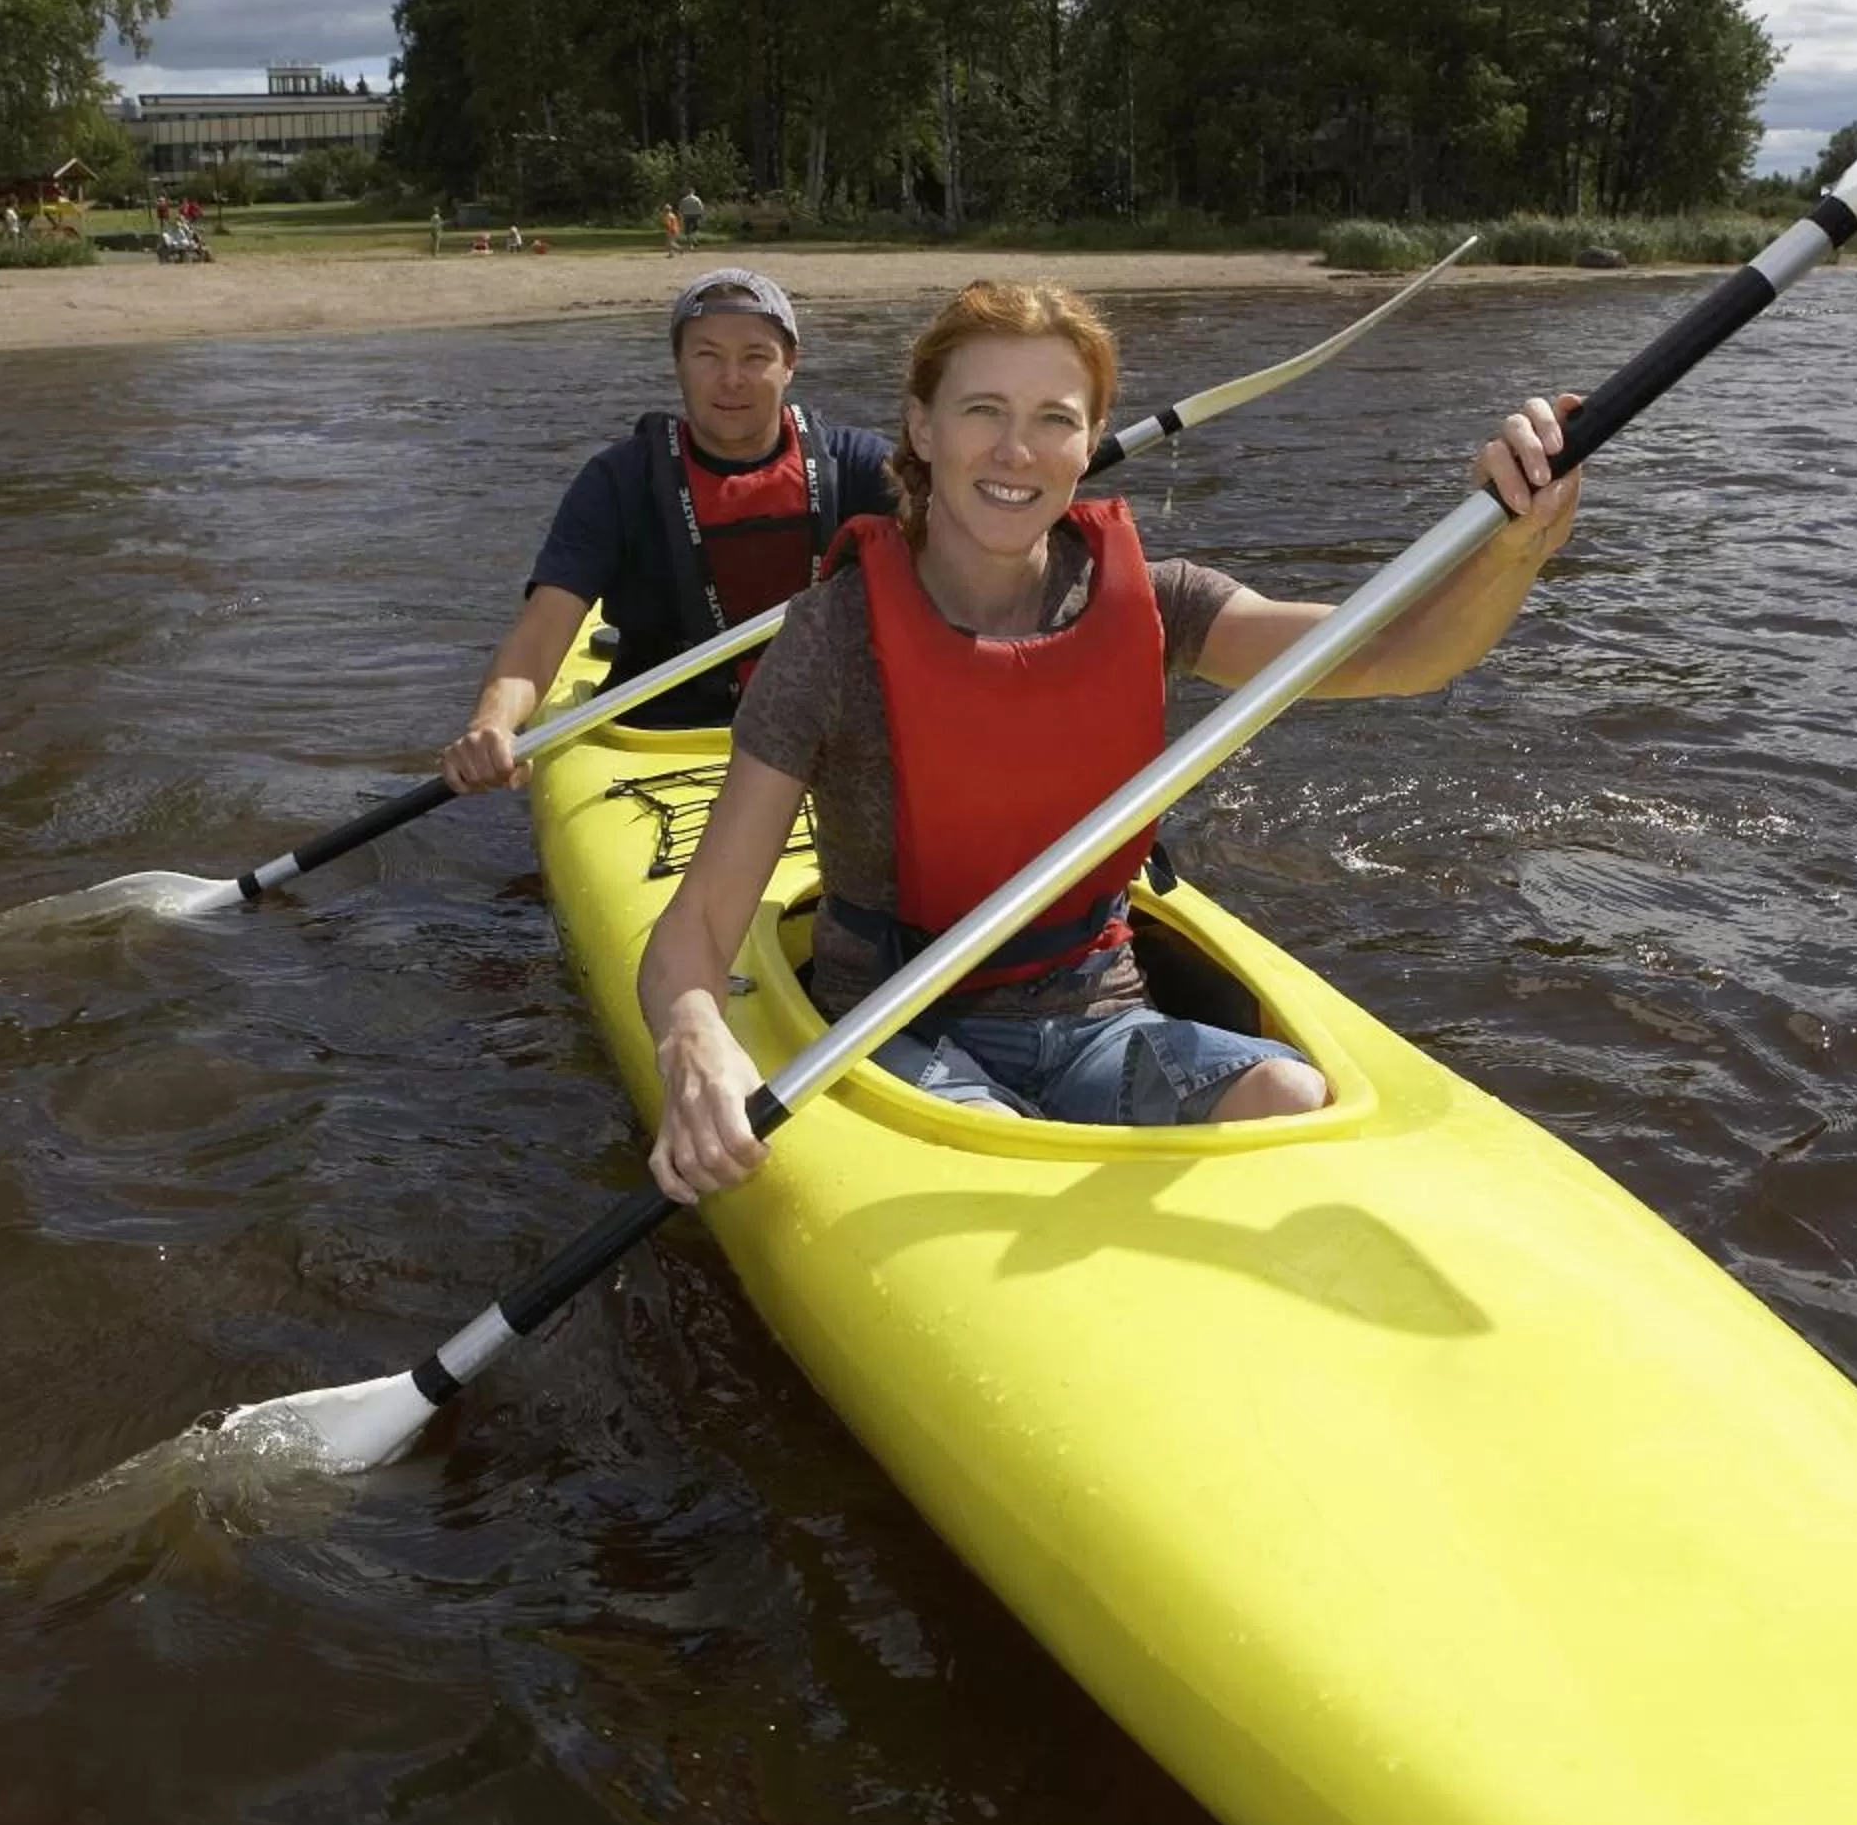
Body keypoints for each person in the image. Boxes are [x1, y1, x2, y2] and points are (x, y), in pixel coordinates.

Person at [637, 279, 1583, 1205]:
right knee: (999, 1154)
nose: (1017, 448)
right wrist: (695, 1046)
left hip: (1098, 1015)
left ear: (1089, 442)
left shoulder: (1159, 601)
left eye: (1054, 417)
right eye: (982, 410)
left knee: (1289, 1096)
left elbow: (1403, 653)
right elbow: (699, 929)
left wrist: (1513, 545)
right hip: (896, 1025)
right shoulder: (834, 635)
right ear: (922, 428)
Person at [441, 268, 899, 780]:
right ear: (678, 364)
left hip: (826, 728)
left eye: (755, 356)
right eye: (707, 355)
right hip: (657, 731)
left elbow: (976, 550)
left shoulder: (860, 466)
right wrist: (494, 723)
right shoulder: (618, 481)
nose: (731, 379)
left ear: (789, 364)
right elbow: (541, 634)